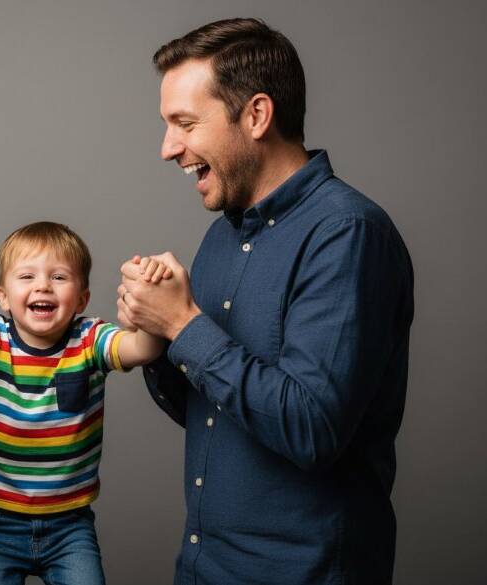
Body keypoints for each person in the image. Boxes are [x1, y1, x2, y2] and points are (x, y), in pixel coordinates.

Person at [116, 18, 414, 585]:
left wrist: (185, 324)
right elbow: (213, 415)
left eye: (184, 123)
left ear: (256, 115)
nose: (167, 149)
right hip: (206, 568)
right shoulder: (222, 236)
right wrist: (157, 338)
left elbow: (310, 429)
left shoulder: (347, 234)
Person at [0, 221, 165, 585]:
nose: (43, 285)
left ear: (82, 299)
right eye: (26, 276)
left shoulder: (90, 338)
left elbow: (141, 349)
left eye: (59, 277)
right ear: (2, 295)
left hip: (70, 524)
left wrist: (150, 310)